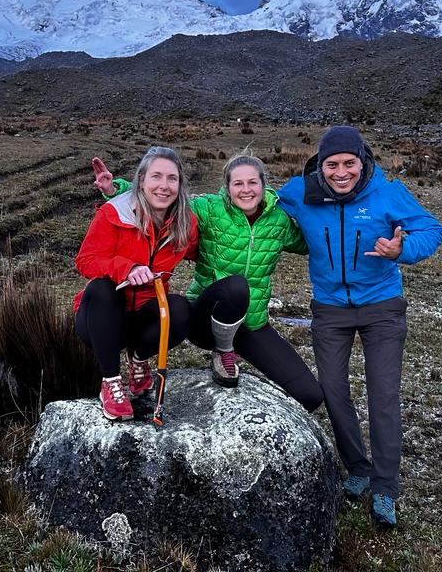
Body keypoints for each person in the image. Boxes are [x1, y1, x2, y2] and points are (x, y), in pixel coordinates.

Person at [277, 126, 442, 529]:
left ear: (363, 161)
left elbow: (431, 229)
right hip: (330, 311)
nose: (340, 173)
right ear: (320, 166)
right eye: (332, 165)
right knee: (333, 393)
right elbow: (247, 200)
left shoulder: (387, 192)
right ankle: (358, 467)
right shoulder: (300, 192)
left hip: (382, 309)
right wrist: (127, 187)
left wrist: (402, 249)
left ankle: (385, 487)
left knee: (382, 397)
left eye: (349, 163)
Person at [93, 150, 324, 411]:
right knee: (237, 286)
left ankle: (233, 350)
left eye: (252, 183)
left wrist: (333, 219)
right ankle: (222, 352)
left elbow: (310, 243)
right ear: (227, 187)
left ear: (263, 185)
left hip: (250, 322)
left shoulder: (279, 221)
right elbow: (163, 196)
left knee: (310, 395)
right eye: (237, 183)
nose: (246, 190)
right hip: (205, 318)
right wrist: (116, 189)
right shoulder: (209, 209)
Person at [74, 146, 199, 421]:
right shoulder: (114, 213)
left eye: (172, 178)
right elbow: (86, 260)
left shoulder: (185, 223)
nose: (163, 186)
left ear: (180, 184)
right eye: (156, 177)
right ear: (141, 180)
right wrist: (126, 268)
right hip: (102, 319)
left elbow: (200, 251)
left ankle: (139, 359)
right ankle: (111, 381)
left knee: (181, 309)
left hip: (145, 318)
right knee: (101, 288)